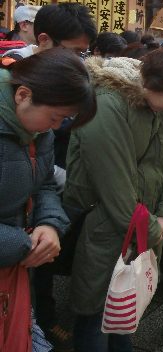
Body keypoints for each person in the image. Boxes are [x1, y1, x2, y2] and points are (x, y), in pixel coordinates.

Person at [63, 45, 163, 351]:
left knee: (124, 308)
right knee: (97, 313)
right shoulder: (107, 102)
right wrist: (155, 229)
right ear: (155, 81)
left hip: (143, 223)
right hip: (104, 220)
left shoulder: (160, 104)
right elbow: (113, 183)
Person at [0, 48, 96, 351]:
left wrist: (50, 225)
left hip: (13, 272)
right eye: (55, 117)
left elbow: (43, 185)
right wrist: (23, 244)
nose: (56, 127)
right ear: (22, 95)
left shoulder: (37, 131)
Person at [3, 3, 97, 60]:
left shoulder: (77, 73)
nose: (78, 60)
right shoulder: (14, 68)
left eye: (83, 53)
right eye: (74, 51)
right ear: (44, 40)